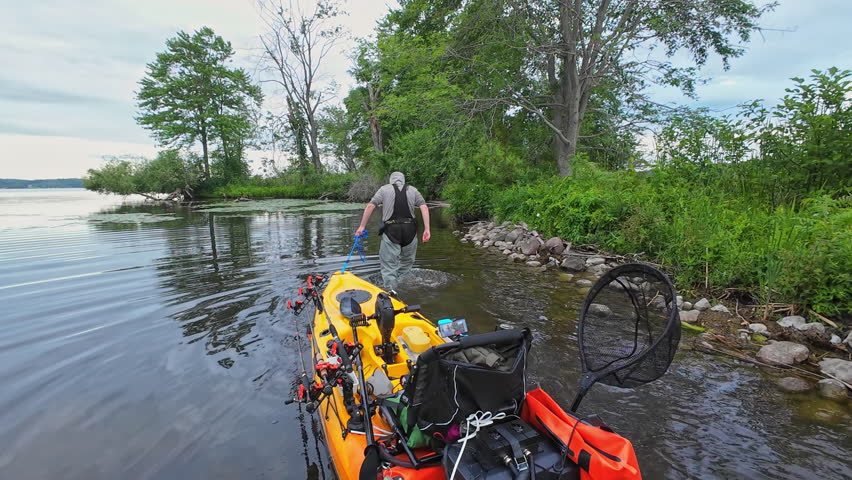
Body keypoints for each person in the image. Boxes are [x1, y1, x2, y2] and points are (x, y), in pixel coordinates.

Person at [355, 172, 430, 291]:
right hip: (410, 230)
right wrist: (427, 229)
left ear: (391, 180)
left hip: (391, 230)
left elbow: (370, 206)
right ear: (403, 180)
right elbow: (424, 207)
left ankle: (392, 294)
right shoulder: (413, 190)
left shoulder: (384, 189)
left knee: (389, 267)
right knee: (406, 265)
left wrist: (362, 226)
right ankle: (406, 291)